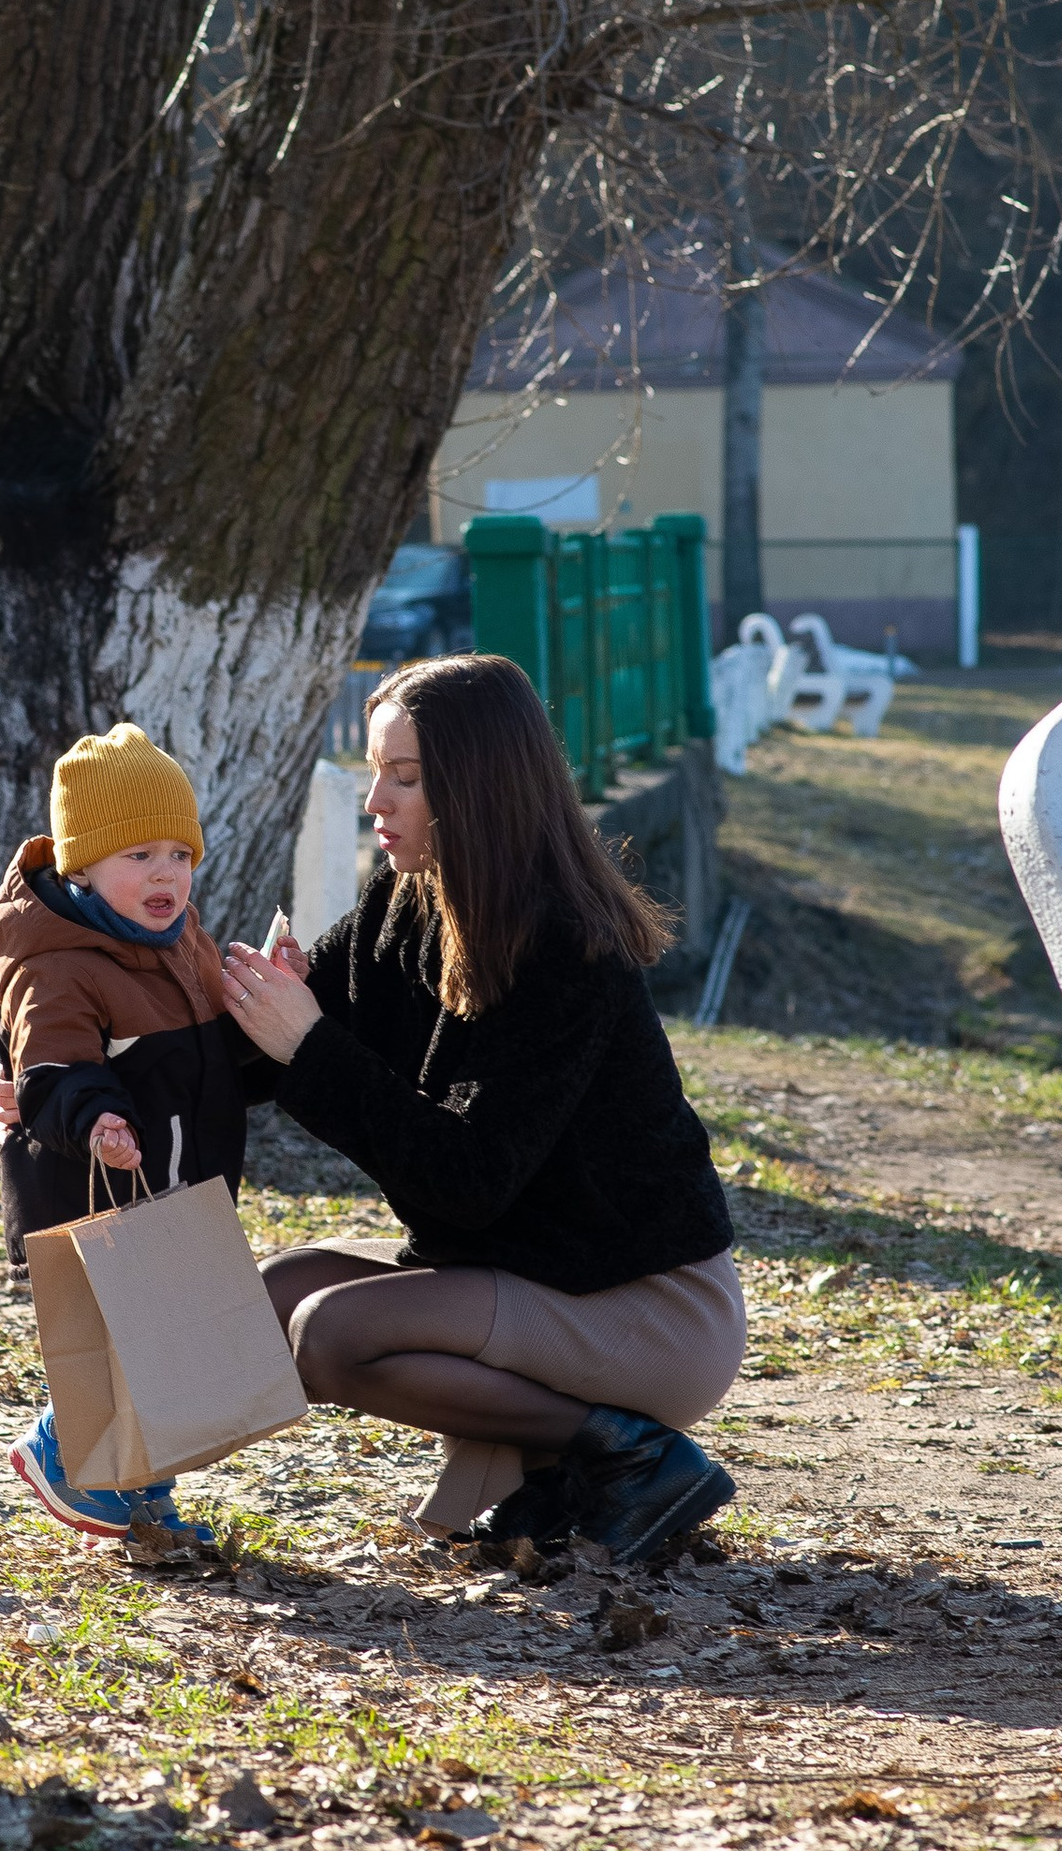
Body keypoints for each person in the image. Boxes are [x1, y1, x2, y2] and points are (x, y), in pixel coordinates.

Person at [221, 653, 742, 1567]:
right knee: (279, 1288)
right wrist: (83, 1082)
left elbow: (466, 1183)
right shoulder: (402, 902)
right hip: (529, 1269)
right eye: (376, 770)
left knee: (332, 1333)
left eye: (406, 776)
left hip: (645, 1304)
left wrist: (309, 1044)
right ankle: (557, 1469)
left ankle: (633, 1453)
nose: (376, 800)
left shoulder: (566, 949)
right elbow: (268, 1052)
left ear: (478, 786)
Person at [0, 720, 242, 1545]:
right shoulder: (55, 959)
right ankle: (59, 1447)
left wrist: (263, 1005)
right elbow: (52, 1070)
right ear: (81, 866)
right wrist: (97, 1120)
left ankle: (147, 1490)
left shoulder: (177, 938)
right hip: (87, 1181)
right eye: (138, 856)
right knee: (117, 1336)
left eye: (180, 853)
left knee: (167, 1346)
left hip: (173, 1181)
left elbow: (215, 1055)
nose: (165, 873)